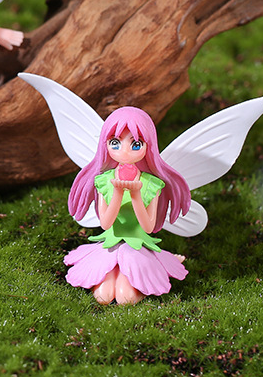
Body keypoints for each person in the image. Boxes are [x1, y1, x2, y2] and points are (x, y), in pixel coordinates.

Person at [65, 106, 191, 305]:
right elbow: (106, 223)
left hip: (137, 245)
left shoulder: (151, 184)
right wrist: (117, 193)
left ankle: (154, 269)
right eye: (115, 143)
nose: (124, 151)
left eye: (135, 144)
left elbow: (148, 226)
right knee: (103, 295)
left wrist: (135, 195)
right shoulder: (104, 181)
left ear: (148, 146)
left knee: (126, 298)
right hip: (110, 243)